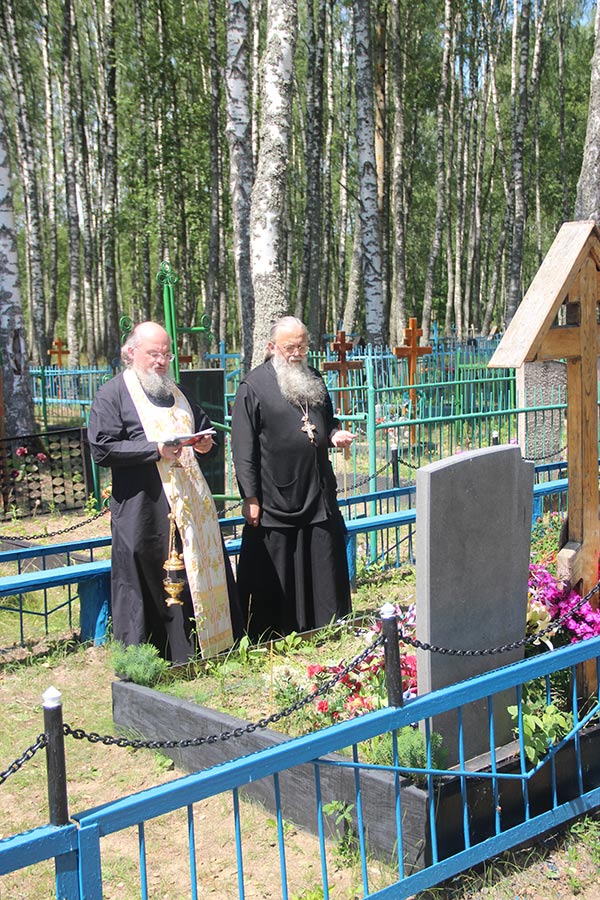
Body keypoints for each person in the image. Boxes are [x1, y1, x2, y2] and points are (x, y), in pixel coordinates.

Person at [87, 321, 241, 663]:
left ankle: (204, 646)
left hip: (191, 506)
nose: (161, 361)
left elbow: (206, 432)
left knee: (194, 572)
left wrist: (205, 445)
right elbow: (102, 448)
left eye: (166, 354)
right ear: (130, 353)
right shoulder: (113, 394)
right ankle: (153, 656)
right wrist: (154, 450)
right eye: (153, 353)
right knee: (149, 578)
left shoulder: (180, 393)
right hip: (144, 508)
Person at [231, 316, 355, 641]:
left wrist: (334, 434)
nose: (297, 353)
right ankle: (275, 632)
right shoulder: (253, 387)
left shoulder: (313, 378)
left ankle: (326, 624)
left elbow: (325, 420)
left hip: (316, 488)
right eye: (290, 347)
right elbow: (243, 448)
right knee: (279, 563)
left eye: (302, 346)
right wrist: (250, 496)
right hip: (276, 494)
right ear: (272, 347)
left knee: (321, 554)